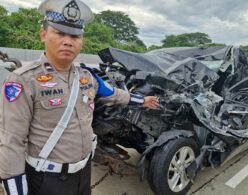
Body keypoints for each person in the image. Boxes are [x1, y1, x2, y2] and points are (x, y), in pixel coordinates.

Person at [0, 0, 159, 194]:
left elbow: (114, 94)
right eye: (59, 33)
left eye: (75, 35)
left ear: (81, 41)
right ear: (43, 35)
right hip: (47, 180)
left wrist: (143, 100)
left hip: (83, 173)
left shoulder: (87, 77)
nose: (68, 41)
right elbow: (11, 143)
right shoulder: (23, 80)